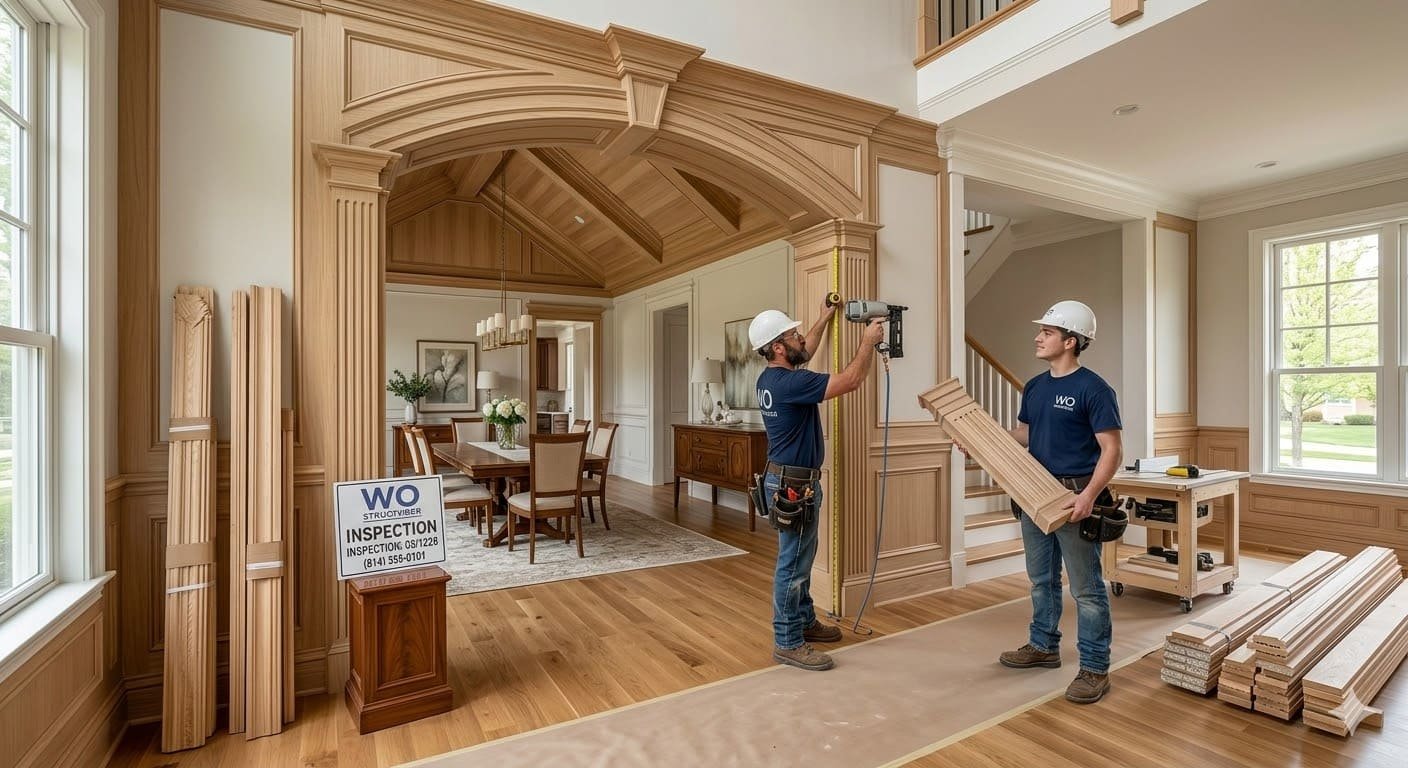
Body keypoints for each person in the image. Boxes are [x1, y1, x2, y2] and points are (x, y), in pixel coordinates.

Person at [958, 299, 1122, 703]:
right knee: (1041, 579)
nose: (1038, 336)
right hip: (1032, 492)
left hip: (1073, 496)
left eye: (1047, 332)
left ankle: (1095, 668)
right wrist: (982, 442)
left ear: (1071, 341)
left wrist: (1089, 496)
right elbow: (1025, 436)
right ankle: (1044, 645)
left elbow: (1112, 449)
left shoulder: (1094, 389)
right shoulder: (1034, 387)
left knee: (1086, 589)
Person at [749, 303, 885, 671]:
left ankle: (804, 621)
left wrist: (825, 317)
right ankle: (787, 640)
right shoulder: (793, 383)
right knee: (792, 563)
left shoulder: (771, 380)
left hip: (786, 479)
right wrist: (868, 342)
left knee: (801, 557)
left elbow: (805, 351)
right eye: (792, 335)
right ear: (778, 347)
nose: (799, 339)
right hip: (794, 484)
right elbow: (851, 381)